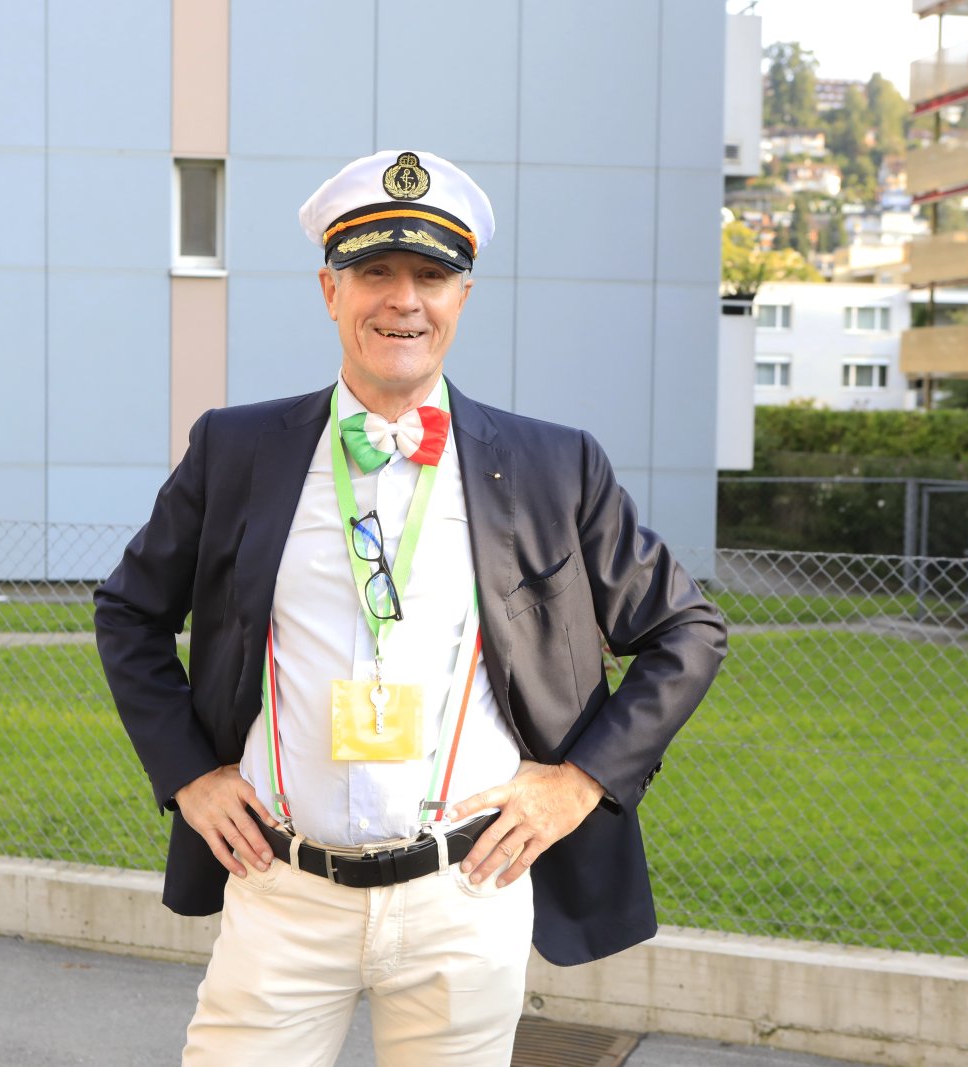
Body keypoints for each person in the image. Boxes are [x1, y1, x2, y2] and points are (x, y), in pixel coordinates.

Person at [94, 148, 727, 1066]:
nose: (404, 301)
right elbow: (128, 611)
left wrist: (579, 783)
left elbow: (686, 630)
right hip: (280, 888)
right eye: (375, 273)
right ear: (330, 289)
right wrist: (189, 773)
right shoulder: (237, 449)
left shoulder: (553, 465)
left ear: (462, 295)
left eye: (431, 276)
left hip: (465, 896)